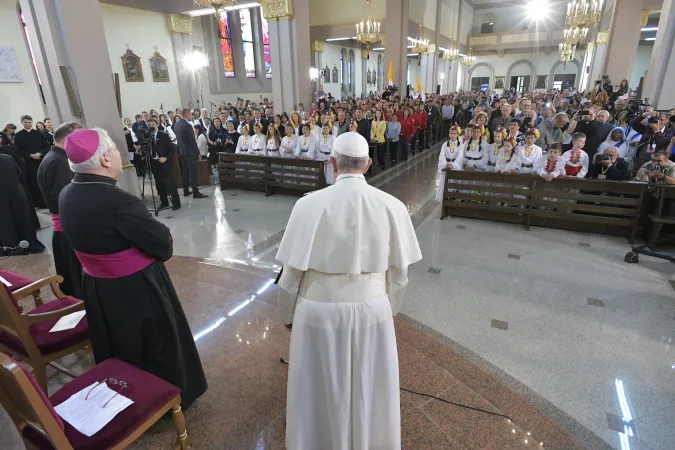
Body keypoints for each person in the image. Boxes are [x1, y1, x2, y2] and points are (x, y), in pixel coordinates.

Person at [276, 132, 422, 450]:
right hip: (373, 310)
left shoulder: (307, 205)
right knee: (369, 387)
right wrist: (386, 310)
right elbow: (399, 277)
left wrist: (286, 314)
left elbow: (290, 277)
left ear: (332, 164)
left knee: (317, 389)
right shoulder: (393, 207)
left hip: (317, 310)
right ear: (368, 164)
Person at [59, 128, 207, 409]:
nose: (118, 154)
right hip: (135, 288)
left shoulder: (68, 193)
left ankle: (121, 393)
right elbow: (163, 245)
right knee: (155, 347)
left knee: (117, 343)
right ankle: (162, 401)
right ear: (104, 160)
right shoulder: (118, 200)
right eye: (115, 150)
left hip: (97, 286)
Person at [36, 121, 84, 297]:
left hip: (65, 227)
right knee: (77, 280)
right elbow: (66, 199)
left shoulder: (55, 158)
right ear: (68, 138)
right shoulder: (58, 162)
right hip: (68, 229)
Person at [0, 152, 45, 255]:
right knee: (22, 220)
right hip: (17, 194)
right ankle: (27, 244)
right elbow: (21, 175)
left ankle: (10, 246)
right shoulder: (8, 157)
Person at [14, 115, 50, 209]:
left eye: (30, 122)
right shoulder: (18, 135)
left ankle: (46, 202)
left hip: (41, 161)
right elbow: (18, 150)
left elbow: (46, 146)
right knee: (33, 183)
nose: (28, 124)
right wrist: (30, 155)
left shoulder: (39, 134)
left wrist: (40, 153)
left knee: (44, 181)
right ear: (22, 123)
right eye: (25, 122)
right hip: (28, 163)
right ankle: (37, 203)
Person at [147, 118, 181, 211]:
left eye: (152, 124)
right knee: (159, 185)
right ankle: (164, 202)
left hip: (165, 162)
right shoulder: (148, 137)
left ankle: (176, 203)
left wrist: (166, 158)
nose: (151, 126)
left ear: (156, 124)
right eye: (149, 125)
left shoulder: (163, 135)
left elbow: (172, 148)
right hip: (155, 163)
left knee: (170, 183)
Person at [174, 109, 208, 199]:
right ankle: (195, 193)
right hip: (189, 152)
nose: (191, 116)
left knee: (185, 172)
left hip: (182, 151)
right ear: (186, 115)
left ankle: (185, 191)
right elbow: (192, 141)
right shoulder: (187, 125)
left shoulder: (176, 125)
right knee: (193, 172)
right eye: (190, 115)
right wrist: (198, 153)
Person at [435, 125, 464, 202]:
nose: (453, 135)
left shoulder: (461, 145)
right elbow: (441, 156)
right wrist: (445, 164)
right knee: (445, 185)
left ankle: (454, 199)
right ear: (449, 134)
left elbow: (460, 156)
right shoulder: (444, 144)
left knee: (454, 185)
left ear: (457, 134)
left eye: (454, 134)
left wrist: (453, 165)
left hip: (455, 167)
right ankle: (445, 200)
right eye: (451, 133)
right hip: (446, 167)